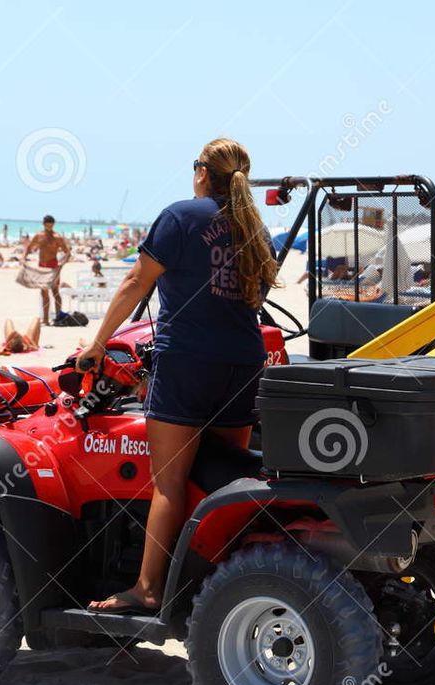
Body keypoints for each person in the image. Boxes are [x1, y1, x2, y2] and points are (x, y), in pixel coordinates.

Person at [82, 137, 278, 613]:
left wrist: (98, 342)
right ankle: (218, 580)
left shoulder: (181, 216)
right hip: (244, 362)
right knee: (224, 478)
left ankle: (147, 588)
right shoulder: (254, 228)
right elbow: (256, 293)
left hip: (188, 361)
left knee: (169, 481)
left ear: (202, 173)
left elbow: (135, 282)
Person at [22, 215, 70, 324]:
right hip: (42, 266)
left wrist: (62, 263)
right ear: (43, 224)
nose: (49, 227)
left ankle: (58, 318)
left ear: (53, 224)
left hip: (53, 266)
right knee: (44, 293)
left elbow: (67, 252)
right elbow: (29, 248)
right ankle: (45, 319)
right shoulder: (39, 236)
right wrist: (23, 258)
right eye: (47, 225)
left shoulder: (57, 237)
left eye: (51, 225)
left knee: (55, 292)